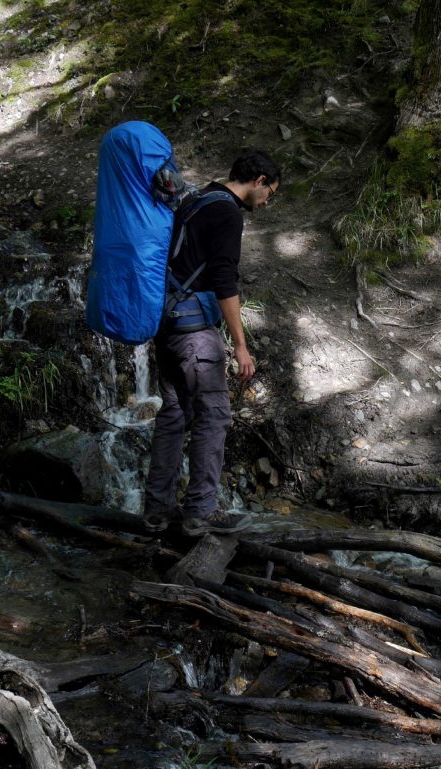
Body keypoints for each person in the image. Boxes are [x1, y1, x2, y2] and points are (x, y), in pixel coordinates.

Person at [143, 150, 281, 536]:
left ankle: (156, 512)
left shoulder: (196, 198)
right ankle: (200, 512)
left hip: (165, 324)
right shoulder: (227, 212)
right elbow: (224, 280)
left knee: (173, 414)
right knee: (214, 414)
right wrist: (241, 346)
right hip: (194, 334)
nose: (267, 201)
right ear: (259, 181)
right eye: (270, 193)